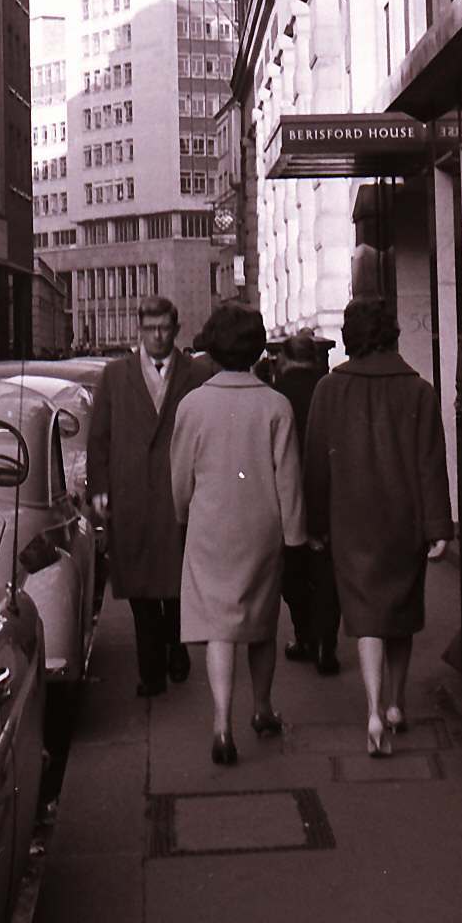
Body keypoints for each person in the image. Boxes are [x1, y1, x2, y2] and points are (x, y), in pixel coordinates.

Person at [303, 297, 453, 758]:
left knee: (365, 615)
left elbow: (314, 465)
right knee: (401, 614)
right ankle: (396, 703)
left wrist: (315, 523)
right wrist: (438, 525)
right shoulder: (420, 391)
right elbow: (431, 464)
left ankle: (370, 708)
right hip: (403, 519)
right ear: (392, 334)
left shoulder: (329, 389)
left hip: (351, 520)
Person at [170, 302, 305, 766]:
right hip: (261, 527)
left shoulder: (192, 405)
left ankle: (221, 724)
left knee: (218, 628)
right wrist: (295, 534)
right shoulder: (276, 405)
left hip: (210, 526)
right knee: (261, 624)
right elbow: (289, 477)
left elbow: (180, 477)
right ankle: (262, 709)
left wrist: (183, 513)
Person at [87, 295, 210, 699]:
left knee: (175, 583)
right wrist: (100, 487)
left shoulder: (195, 373)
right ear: (139, 331)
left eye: (164, 329)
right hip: (132, 494)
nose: (158, 337)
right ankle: (150, 671)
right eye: (150, 329)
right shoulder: (115, 376)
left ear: (176, 329)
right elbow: (99, 439)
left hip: (178, 492)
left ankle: (177, 647)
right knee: (140, 589)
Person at [271, 331, 341, 675]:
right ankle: (328, 642)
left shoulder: (275, 394)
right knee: (327, 570)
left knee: (294, 572)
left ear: (284, 358)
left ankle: (305, 635)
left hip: (289, 492)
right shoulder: (330, 389)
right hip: (329, 490)